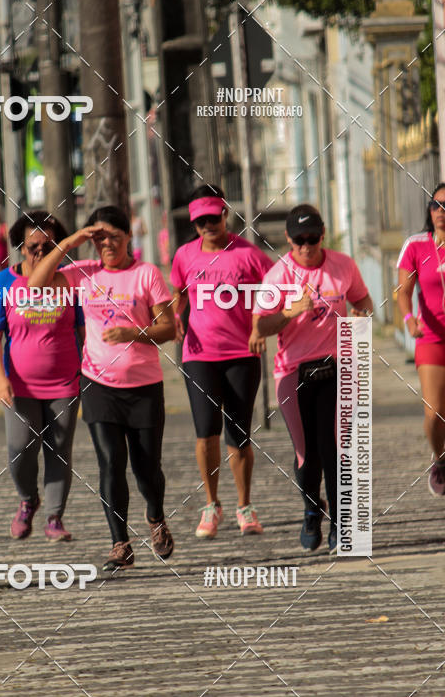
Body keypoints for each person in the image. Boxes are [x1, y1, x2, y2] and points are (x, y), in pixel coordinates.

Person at [31, 205, 176, 571]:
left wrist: (132, 333)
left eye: (115, 236)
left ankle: (156, 516)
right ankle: (120, 543)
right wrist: (72, 240)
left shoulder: (147, 274)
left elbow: (169, 329)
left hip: (144, 386)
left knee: (147, 470)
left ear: (129, 237)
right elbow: (35, 284)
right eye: (100, 238)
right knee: (110, 462)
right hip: (98, 383)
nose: (108, 244)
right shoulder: (84, 273)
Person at [252, 204, 373, 552]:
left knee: (337, 448)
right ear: (289, 239)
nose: (307, 246)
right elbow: (261, 326)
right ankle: (310, 509)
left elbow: (362, 303)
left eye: (313, 238)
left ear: (322, 234)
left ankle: (340, 523)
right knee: (307, 455)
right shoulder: (278, 276)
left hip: (338, 366)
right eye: (299, 240)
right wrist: (291, 312)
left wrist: (362, 323)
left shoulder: (343, 265)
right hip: (294, 370)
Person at [170, 184, 273, 539]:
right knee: (205, 432)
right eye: (200, 222)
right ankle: (212, 505)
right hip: (198, 355)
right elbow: (178, 295)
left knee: (239, 434)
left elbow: (275, 291)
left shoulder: (249, 254)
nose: (207, 226)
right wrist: (176, 314)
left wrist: (260, 324)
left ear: (225, 214)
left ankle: (245, 506)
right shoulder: (184, 255)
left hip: (242, 354)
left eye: (213, 218)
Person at [0, 210, 83, 542]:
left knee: (59, 450)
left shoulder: (71, 281)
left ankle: (54, 517)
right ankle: (28, 500)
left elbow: (83, 328)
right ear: (20, 247)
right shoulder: (3, 282)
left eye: (48, 245)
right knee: (20, 448)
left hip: (65, 382)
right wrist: (0, 378)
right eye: (33, 246)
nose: (40, 252)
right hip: (19, 384)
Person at [397, 183, 445, 496]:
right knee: (434, 413)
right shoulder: (415, 245)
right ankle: (439, 458)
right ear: (429, 211)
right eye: (436, 205)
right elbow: (403, 291)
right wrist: (409, 319)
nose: (442, 211)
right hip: (431, 337)